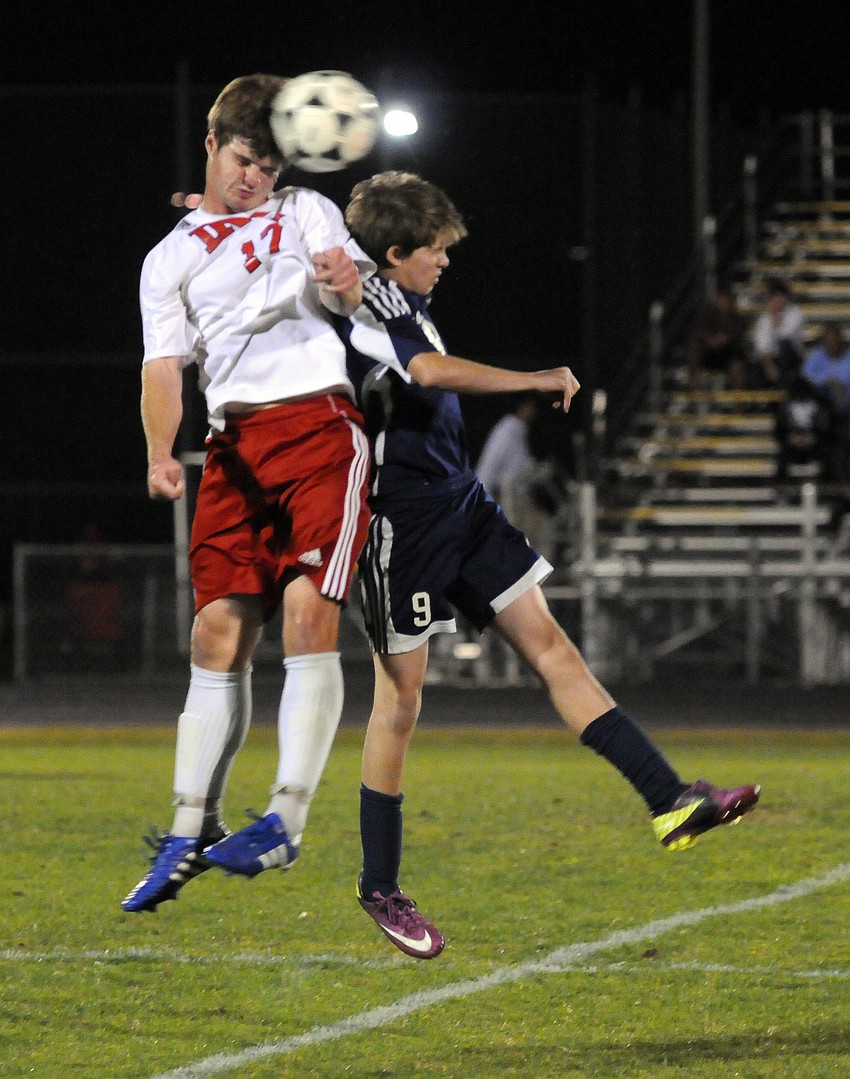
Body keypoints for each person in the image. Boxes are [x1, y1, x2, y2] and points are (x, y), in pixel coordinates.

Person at [337, 171, 761, 959]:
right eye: (434, 249)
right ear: (394, 252)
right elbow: (426, 372)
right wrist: (531, 377)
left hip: (462, 502)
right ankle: (380, 885)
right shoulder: (360, 305)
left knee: (554, 648)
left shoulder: (382, 283)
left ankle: (669, 798)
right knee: (400, 700)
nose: (445, 260)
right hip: (403, 520)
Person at [121, 74, 375, 913]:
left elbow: (349, 295)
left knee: (307, 615)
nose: (255, 177)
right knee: (215, 634)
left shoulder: (306, 211)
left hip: (318, 428)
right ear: (211, 145)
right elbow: (164, 367)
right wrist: (161, 450)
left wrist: (341, 277)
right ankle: (190, 829)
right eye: (243, 159)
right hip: (233, 445)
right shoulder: (170, 257)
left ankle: (286, 819)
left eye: (269, 165)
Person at [685, 284, 749, 390]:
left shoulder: (737, 318)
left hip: (728, 355)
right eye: (721, 299)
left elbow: (739, 333)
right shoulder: (707, 314)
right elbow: (696, 331)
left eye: (726, 300)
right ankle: (693, 380)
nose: (723, 302)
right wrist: (710, 339)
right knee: (694, 347)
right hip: (709, 353)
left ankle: (739, 397)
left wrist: (725, 339)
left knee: (737, 365)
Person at [753, 280, 806, 388]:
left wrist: (774, 317)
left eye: (780, 296)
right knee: (755, 368)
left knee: (785, 345)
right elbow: (762, 346)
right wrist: (769, 368)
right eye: (775, 296)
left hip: (792, 356)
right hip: (771, 359)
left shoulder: (795, 312)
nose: (778, 300)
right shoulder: (764, 318)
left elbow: (785, 336)